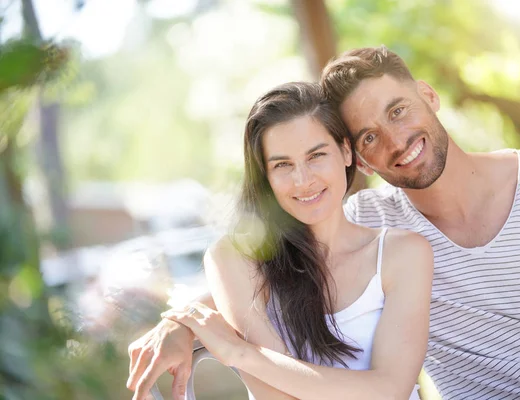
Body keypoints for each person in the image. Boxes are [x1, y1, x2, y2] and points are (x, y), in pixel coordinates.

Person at [129, 46, 520, 399]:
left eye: (398, 110)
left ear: (429, 96)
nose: (396, 140)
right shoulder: (370, 221)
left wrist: (228, 345)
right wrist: (178, 325)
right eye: (371, 135)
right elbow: (266, 272)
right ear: (361, 159)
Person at [127, 82, 433, 400]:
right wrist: (185, 323)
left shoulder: (403, 253)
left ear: (345, 151)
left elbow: (390, 390)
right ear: (265, 176)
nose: (303, 180)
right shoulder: (234, 260)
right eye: (282, 165)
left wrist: (239, 352)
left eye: (316, 156)